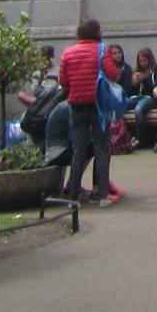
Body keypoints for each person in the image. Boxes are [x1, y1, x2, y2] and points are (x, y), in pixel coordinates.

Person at [57, 18, 123, 206]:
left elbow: (64, 81)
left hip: (77, 106)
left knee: (78, 150)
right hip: (99, 106)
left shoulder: (68, 53)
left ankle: (73, 195)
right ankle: (102, 196)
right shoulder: (103, 50)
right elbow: (113, 75)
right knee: (102, 149)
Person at [125, 46, 157, 134]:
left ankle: (140, 137)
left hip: (150, 98)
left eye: (144, 61)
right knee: (120, 105)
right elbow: (129, 91)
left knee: (138, 109)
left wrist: (145, 79)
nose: (142, 63)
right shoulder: (136, 71)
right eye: (140, 61)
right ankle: (122, 136)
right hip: (137, 97)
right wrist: (133, 83)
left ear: (150, 59)